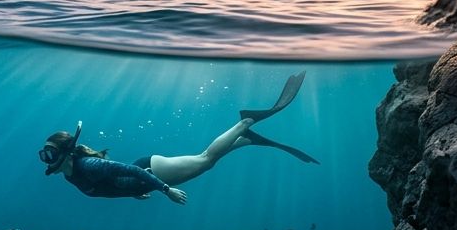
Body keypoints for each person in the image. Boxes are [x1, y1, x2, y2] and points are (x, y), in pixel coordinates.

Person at [39, 72, 318, 205]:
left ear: (66, 152)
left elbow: (128, 169)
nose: (46, 158)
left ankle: (245, 123)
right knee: (205, 161)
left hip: (151, 171)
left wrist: (164, 189)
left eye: (50, 152)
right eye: (45, 154)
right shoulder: (70, 173)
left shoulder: (87, 166)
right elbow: (112, 185)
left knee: (205, 160)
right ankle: (243, 139)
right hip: (146, 176)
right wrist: (134, 191)